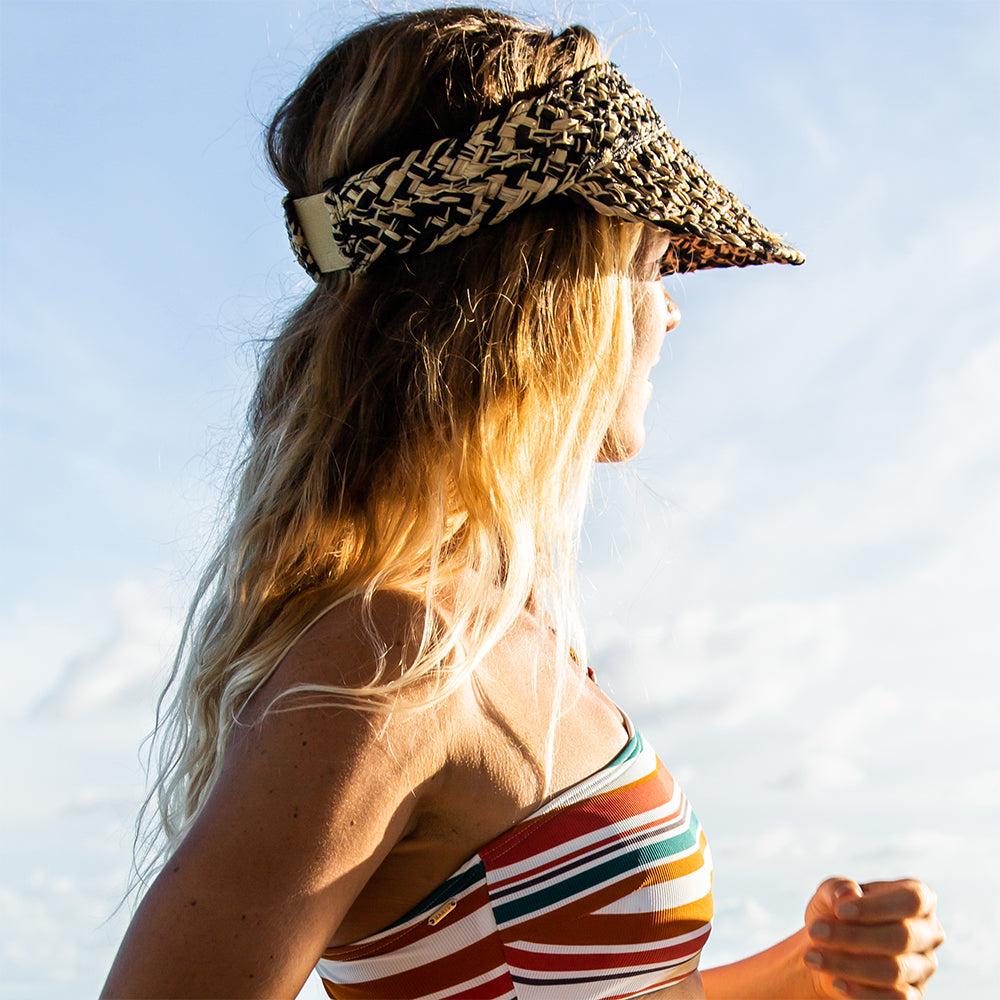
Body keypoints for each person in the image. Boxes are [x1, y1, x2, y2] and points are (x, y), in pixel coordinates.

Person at [102, 7, 944, 999]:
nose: (669, 307)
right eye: (647, 262)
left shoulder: (488, 630)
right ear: (556, 289)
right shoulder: (391, 657)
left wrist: (807, 973)